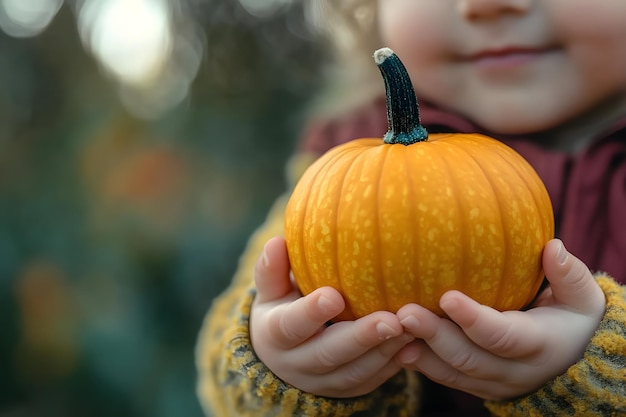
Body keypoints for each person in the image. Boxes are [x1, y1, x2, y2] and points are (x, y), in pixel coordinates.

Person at [196, 1, 626, 415]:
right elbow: (226, 374)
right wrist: (276, 365)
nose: (488, 3)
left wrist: (600, 366)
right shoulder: (336, 174)